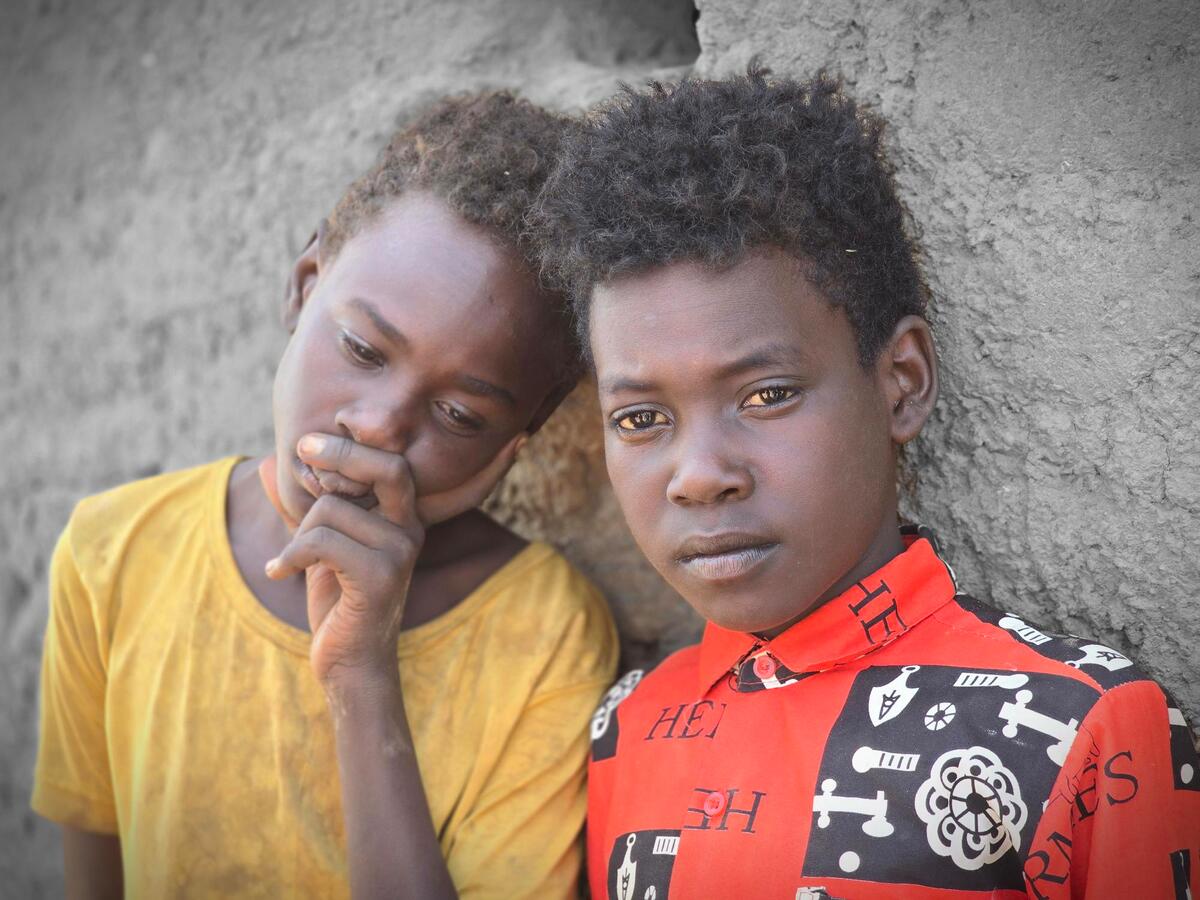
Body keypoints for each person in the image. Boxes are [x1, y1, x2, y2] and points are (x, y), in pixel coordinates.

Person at [533, 67, 1200, 899]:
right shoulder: (628, 728)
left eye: (765, 395)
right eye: (639, 419)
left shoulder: (1081, 727)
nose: (699, 476)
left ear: (902, 382)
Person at [33, 91, 618, 900]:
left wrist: (361, 674)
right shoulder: (113, 551)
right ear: (304, 286)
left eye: (459, 415)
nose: (377, 425)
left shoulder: (544, 634)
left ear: (516, 442)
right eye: (361, 347)